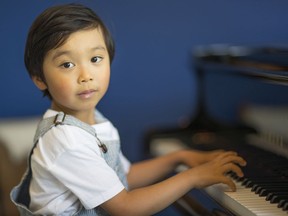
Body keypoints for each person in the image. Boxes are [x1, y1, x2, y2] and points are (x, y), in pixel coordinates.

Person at [11, 3, 246, 216]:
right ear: (39, 78)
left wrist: (179, 157)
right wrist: (192, 177)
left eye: (95, 59)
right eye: (67, 64)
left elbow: (126, 176)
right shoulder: (66, 139)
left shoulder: (93, 121)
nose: (86, 76)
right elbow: (125, 206)